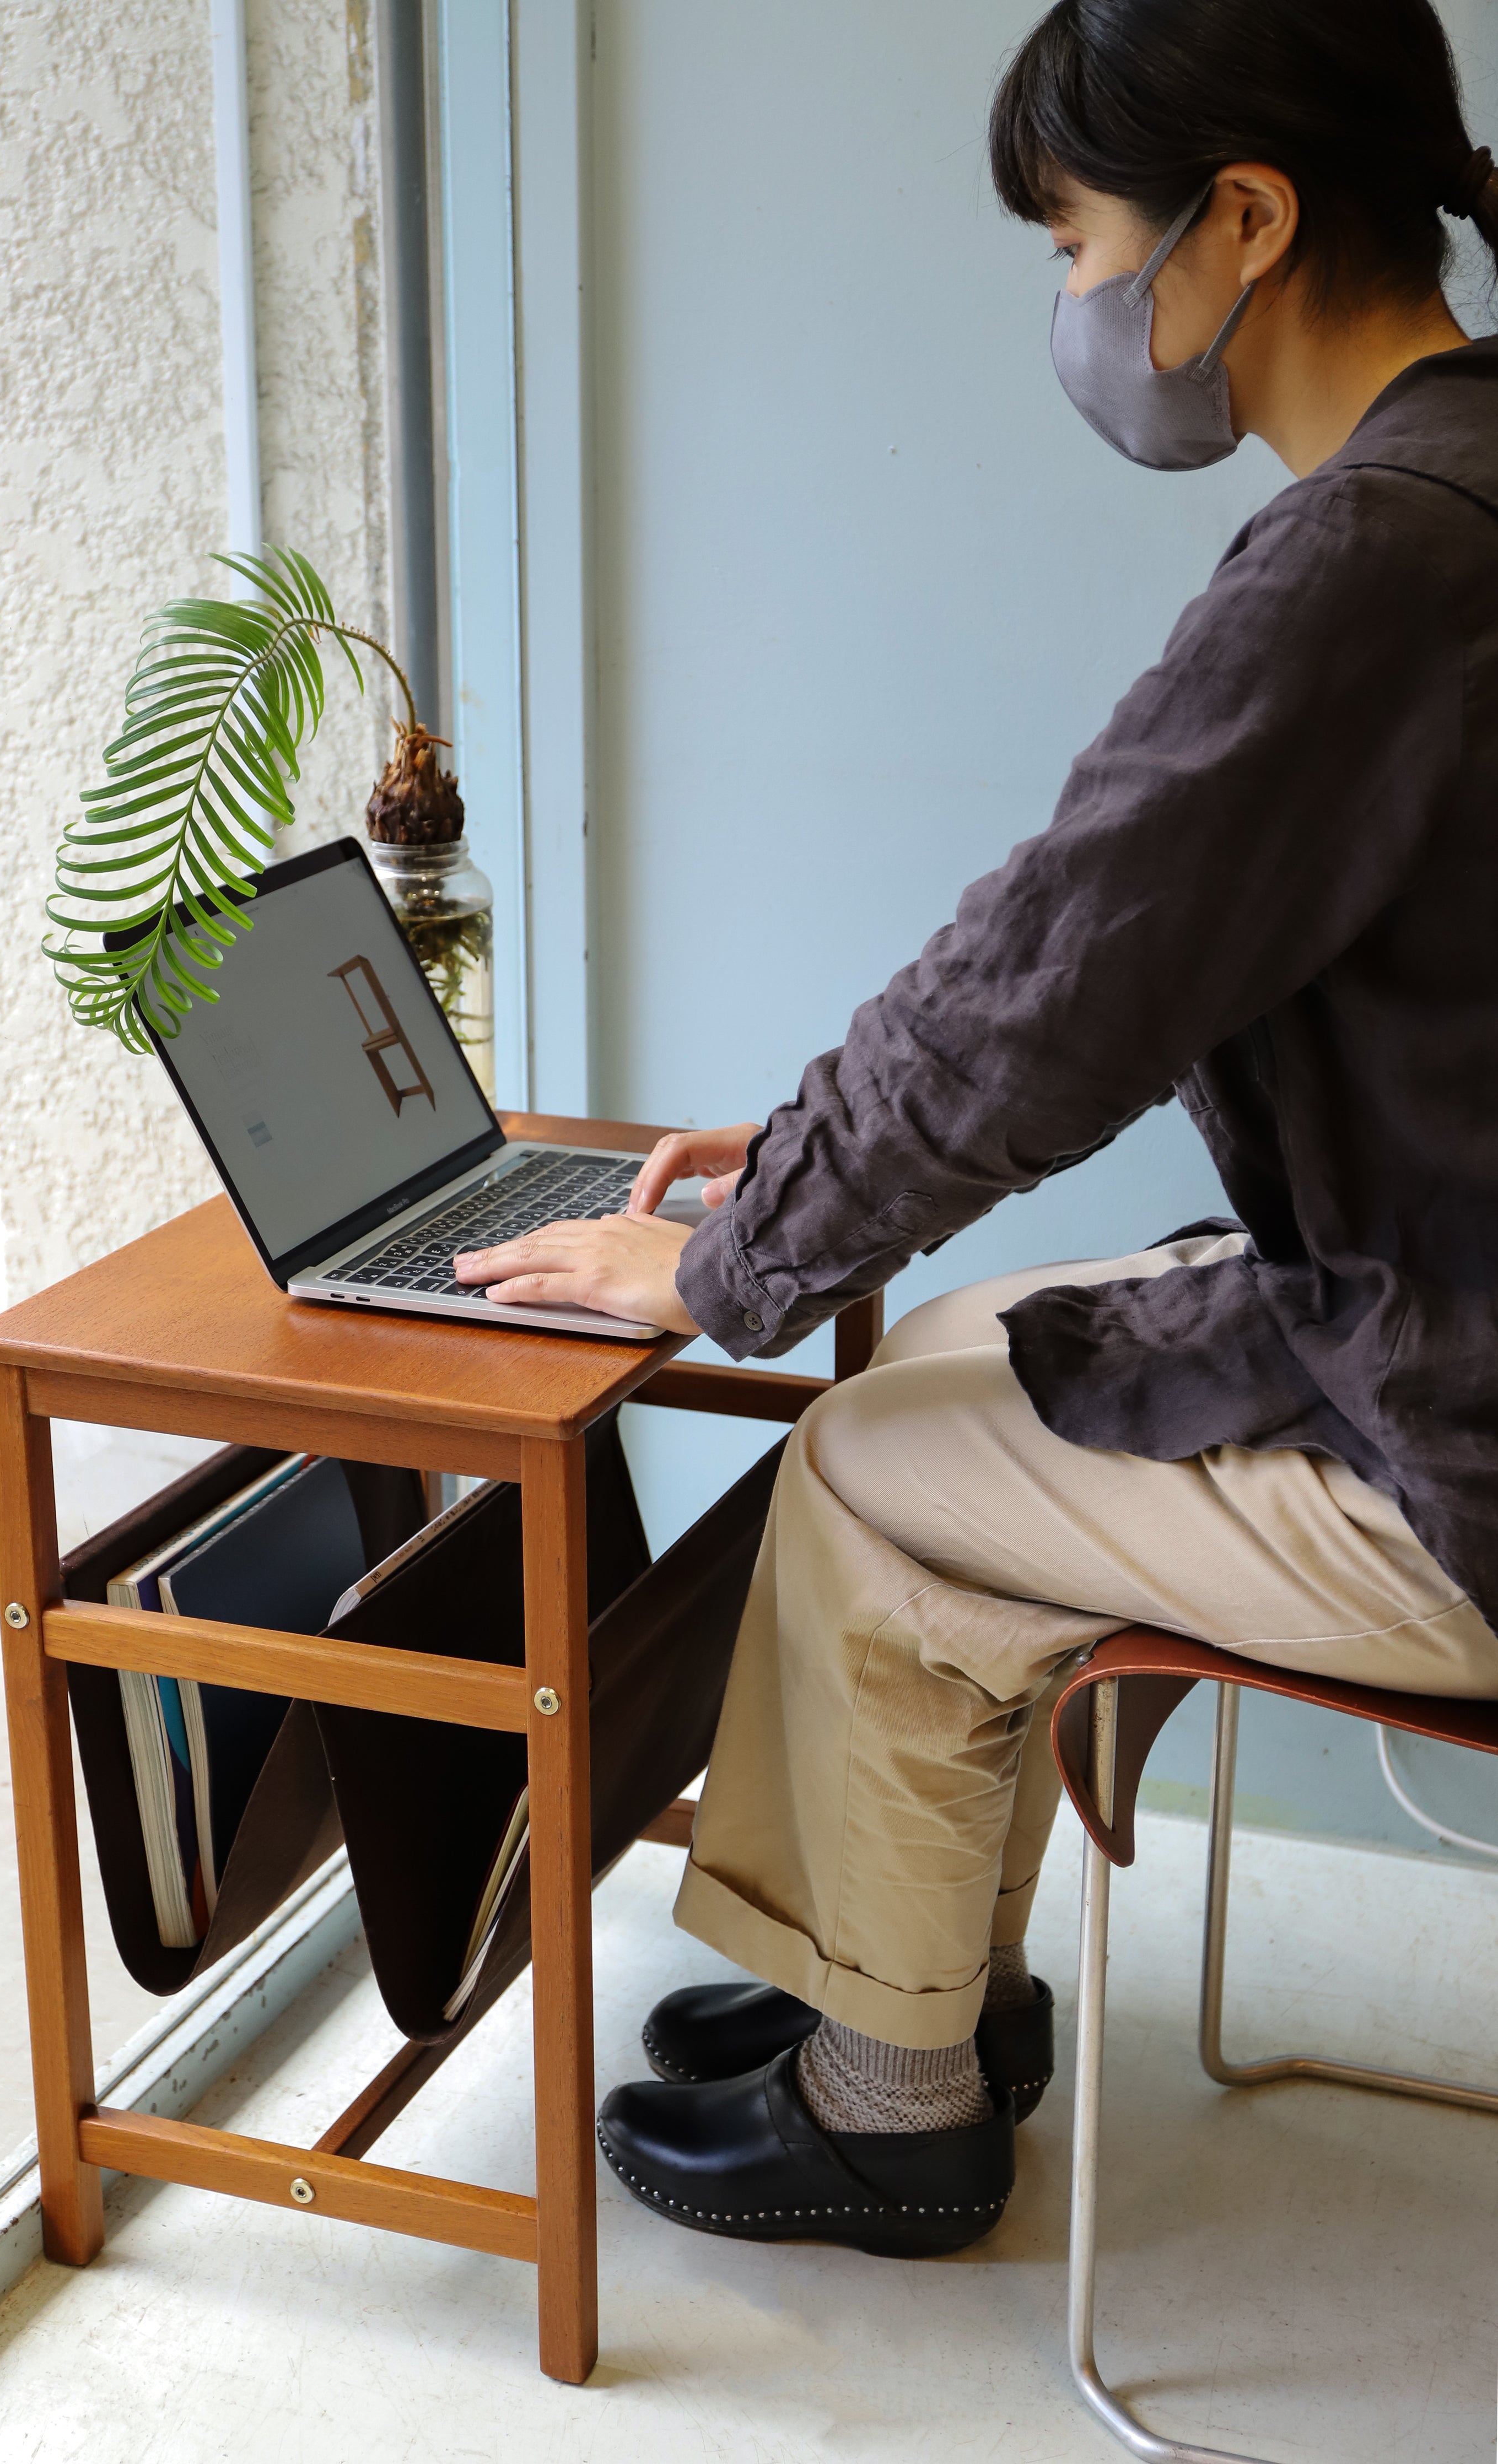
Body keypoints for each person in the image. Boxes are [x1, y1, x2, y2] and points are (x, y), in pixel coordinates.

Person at [455, 0, 1498, 2257]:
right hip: (1450, 1296)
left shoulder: (1379, 559)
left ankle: (893, 2094)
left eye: (1069, 245)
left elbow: (1057, 979)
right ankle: (910, 1989)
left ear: (1237, 220)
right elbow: (1064, 939)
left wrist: (732, 1261)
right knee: (982, 1330)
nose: (1072, 311)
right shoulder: (1459, 486)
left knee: (860, 1460)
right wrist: (809, 1161)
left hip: (1470, 1439)